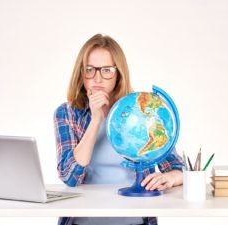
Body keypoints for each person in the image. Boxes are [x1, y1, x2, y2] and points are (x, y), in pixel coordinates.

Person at [53, 34, 185, 225]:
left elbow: (178, 168)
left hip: (135, 221)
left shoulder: (141, 109)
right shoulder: (66, 113)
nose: (97, 78)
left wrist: (169, 178)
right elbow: (69, 177)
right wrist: (96, 119)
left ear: (118, 73)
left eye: (107, 70)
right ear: (81, 74)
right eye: (89, 70)